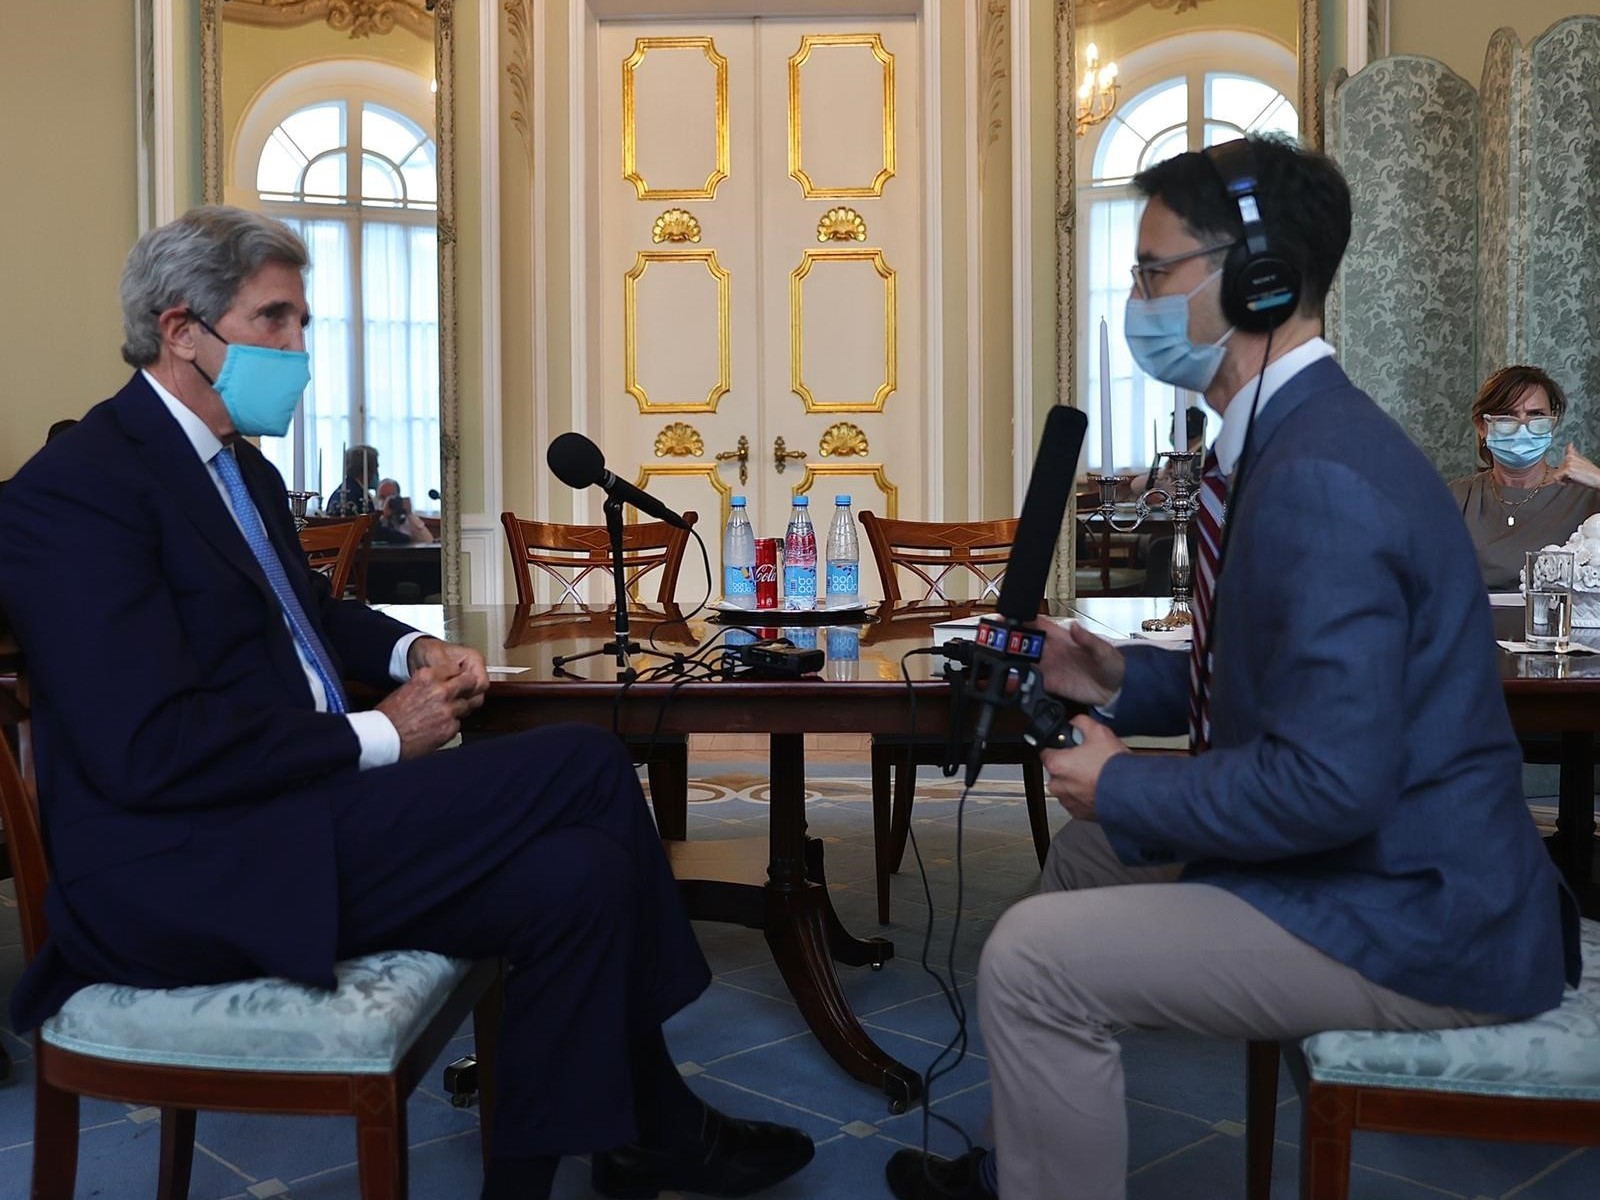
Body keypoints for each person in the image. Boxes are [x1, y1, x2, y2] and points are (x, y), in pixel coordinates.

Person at [0, 206, 813, 1200]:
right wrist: (383, 733)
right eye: (277, 320)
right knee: (583, 760)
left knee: (579, 876)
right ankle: (663, 1122)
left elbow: (310, 617)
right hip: (179, 864)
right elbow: (146, 749)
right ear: (181, 332)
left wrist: (413, 645)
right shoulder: (76, 489)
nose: (301, 349)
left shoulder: (236, 468)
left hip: (283, 818)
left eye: (302, 322)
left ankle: (592, 1156)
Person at [886, 136, 1576, 1200]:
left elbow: (1329, 783)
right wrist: (1118, 681)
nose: (1136, 298)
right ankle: (1024, 1165)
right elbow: (1282, 682)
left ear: (1255, 279)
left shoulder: (1320, 477)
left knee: (1030, 960)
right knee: (1083, 866)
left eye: (1154, 272)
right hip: (1376, 866)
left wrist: (1120, 779)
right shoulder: (1284, 440)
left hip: (1419, 913)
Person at [1447, 365, 1600, 590]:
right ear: (1482, 426)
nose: (1522, 427)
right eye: (1508, 415)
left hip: (1564, 624)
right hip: (1479, 623)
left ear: (1552, 422)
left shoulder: (1587, 496)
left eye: (1535, 414)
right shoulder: (1458, 497)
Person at [376, 476, 436, 544]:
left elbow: (428, 540)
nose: (386, 501)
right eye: (382, 497)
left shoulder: (406, 519)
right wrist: (384, 516)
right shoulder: (375, 521)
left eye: (390, 497)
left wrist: (410, 515)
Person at [326, 443, 380, 517]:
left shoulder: (338, 492)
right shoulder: (361, 498)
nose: (377, 473)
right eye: (376, 468)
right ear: (367, 470)